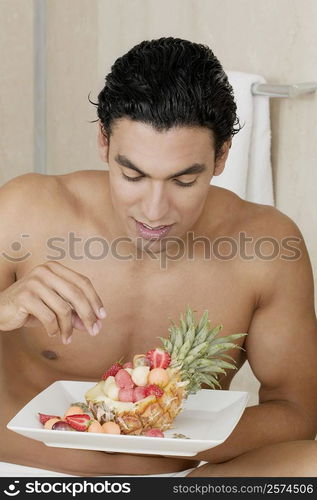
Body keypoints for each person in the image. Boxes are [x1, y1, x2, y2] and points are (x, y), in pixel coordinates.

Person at [0, 37, 316, 477]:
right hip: (19, 471)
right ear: (103, 142)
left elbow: (296, 412)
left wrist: (171, 434)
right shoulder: (23, 209)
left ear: (222, 156)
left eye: (184, 181)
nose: (154, 211)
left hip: (179, 480)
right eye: (132, 175)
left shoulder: (270, 246)